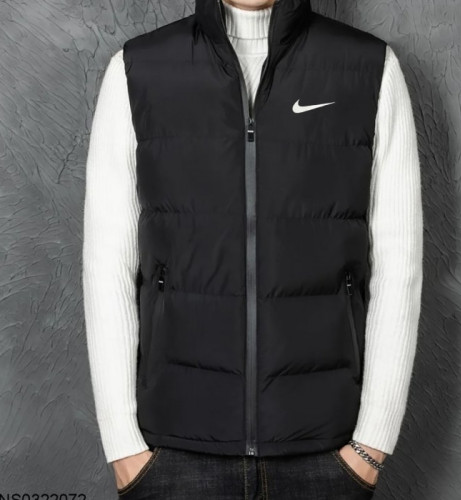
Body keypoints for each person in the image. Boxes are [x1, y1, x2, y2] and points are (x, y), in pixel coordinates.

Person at [82, 0, 423, 498]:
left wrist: (372, 445)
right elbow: (106, 263)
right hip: (174, 453)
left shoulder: (368, 69)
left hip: (327, 454)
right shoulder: (139, 70)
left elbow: (400, 264)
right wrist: (123, 446)